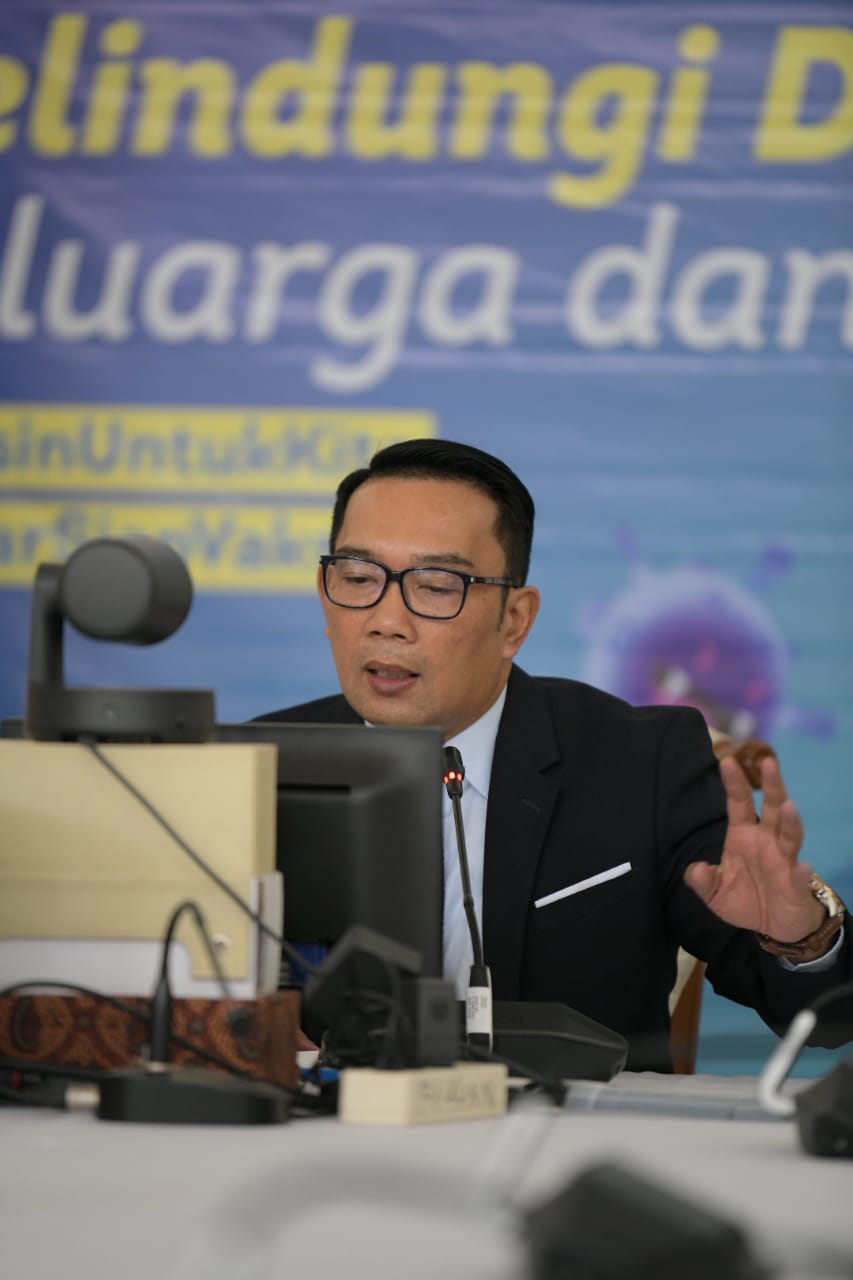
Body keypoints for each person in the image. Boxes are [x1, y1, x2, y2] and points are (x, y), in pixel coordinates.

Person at [256, 439, 850, 1071]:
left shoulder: (642, 763)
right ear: (325, 594)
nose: (386, 621)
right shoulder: (257, 769)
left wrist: (800, 937)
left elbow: (827, 1016)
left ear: (514, 620)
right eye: (358, 579)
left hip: (570, 1125)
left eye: (435, 586)